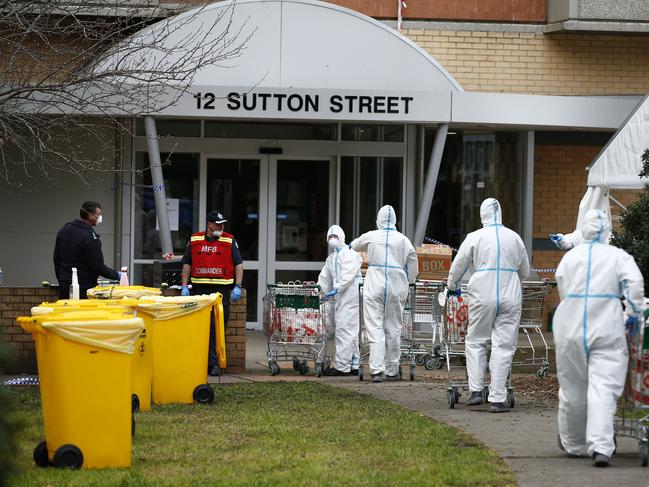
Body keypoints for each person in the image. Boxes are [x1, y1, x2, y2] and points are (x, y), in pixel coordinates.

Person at [553, 209, 645, 467]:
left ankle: (573, 444)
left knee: (572, 388)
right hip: (607, 327)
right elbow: (635, 285)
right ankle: (601, 447)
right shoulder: (618, 256)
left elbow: (562, 287)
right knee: (603, 387)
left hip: (570, 327)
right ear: (607, 231)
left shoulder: (570, 258)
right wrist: (635, 311)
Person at [447, 198, 530, 413]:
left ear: (482, 215)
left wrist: (451, 284)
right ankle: (497, 397)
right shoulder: (514, 237)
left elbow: (459, 264)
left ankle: (476, 391)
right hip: (510, 295)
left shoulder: (474, 237)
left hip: (482, 294)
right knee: (503, 346)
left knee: (476, 340)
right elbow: (525, 271)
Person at [350, 205, 418, 383]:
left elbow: (353, 246)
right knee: (393, 328)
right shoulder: (404, 240)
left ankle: (376, 370)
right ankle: (392, 370)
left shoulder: (372, 236)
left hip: (375, 283)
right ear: (395, 220)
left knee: (374, 327)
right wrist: (409, 281)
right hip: (396, 285)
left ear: (378, 219)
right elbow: (413, 263)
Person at [181, 210, 244, 376]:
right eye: (218, 224)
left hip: (221, 291)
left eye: (223, 224)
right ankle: (205, 362)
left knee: (217, 329)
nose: (221, 227)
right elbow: (187, 263)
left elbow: (238, 264)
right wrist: (184, 285)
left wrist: (238, 285)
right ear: (209, 224)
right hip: (200, 291)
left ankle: (214, 363)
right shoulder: (195, 240)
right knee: (201, 328)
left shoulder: (229, 240)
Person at [53, 201, 121, 299]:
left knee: (66, 312)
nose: (100, 217)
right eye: (98, 214)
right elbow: (97, 266)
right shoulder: (89, 237)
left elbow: (56, 259)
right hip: (84, 287)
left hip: (65, 285)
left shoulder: (64, 231)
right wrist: (117, 275)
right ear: (90, 216)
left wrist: (62, 279)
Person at [318, 225, 361, 377]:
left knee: (344, 331)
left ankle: (342, 367)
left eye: (334, 237)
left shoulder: (350, 254)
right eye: (330, 237)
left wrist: (337, 288)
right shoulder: (332, 258)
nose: (332, 240)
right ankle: (354, 364)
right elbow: (325, 277)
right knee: (350, 333)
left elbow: (347, 275)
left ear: (341, 237)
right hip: (341, 300)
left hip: (350, 299)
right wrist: (319, 289)